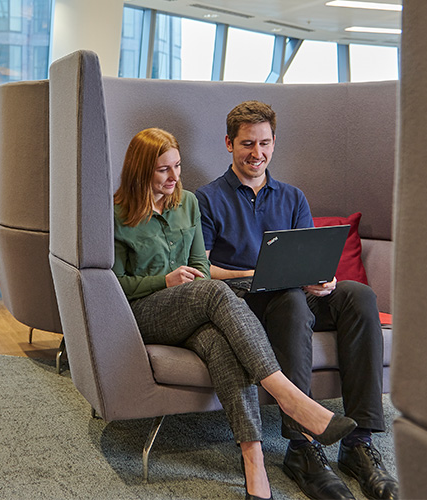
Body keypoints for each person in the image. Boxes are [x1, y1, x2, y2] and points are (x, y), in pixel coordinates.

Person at [113, 127, 356, 500]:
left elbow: (200, 266)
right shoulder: (116, 213)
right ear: (141, 171)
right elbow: (113, 285)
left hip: (191, 305)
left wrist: (187, 280)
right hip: (143, 313)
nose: (174, 177)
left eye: (177, 166)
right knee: (215, 291)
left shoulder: (188, 203)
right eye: (164, 170)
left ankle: (253, 462)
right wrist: (164, 281)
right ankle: (288, 395)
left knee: (218, 342)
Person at [195, 101, 399, 500]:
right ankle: (302, 446)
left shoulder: (292, 197)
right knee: (288, 297)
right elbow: (202, 269)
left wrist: (321, 280)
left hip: (294, 294)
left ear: (275, 142)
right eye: (247, 144)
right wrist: (259, 274)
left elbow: (307, 262)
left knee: (359, 295)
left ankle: (358, 443)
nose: (257, 153)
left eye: (265, 143)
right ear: (228, 144)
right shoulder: (206, 199)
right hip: (246, 302)